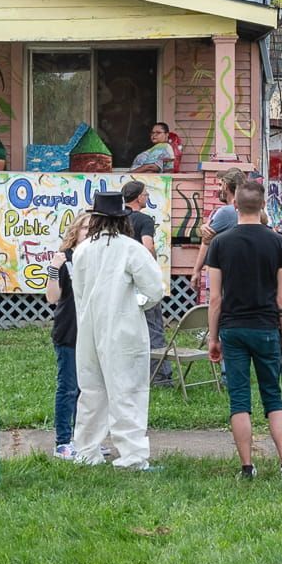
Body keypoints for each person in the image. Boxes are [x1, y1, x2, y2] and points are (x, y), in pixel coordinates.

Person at [205, 181, 282, 482]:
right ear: (263, 207)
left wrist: (213, 336)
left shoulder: (220, 243)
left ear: (235, 206)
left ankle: (247, 468)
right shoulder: (278, 243)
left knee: (239, 400)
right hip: (266, 328)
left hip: (232, 328)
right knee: (274, 398)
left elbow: (215, 298)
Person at [69, 190, 166, 471]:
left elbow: (79, 292)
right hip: (124, 329)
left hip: (89, 328)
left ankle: (87, 451)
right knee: (129, 392)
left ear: (96, 219)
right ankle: (132, 457)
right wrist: (137, 303)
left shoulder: (83, 250)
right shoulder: (130, 248)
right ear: (123, 220)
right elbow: (154, 290)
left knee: (91, 392)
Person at [44, 216, 87, 460]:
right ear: (76, 231)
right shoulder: (66, 258)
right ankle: (63, 441)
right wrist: (53, 269)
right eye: (85, 228)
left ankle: (85, 438)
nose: (89, 232)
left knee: (89, 389)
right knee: (69, 387)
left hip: (92, 332)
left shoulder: (98, 259)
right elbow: (52, 298)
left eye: (94, 228)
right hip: (70, 330)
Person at [122, 180, 172, 387]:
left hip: (121, 279)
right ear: (138, 197)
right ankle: (160, 376)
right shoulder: (144, 219)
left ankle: (128, 372)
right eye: (145, 194)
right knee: (153, 326)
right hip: (141, 280)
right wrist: (151, 263)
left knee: (124, 326)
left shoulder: (116, 219)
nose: (148, 197)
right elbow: (147, 244)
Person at [191, 169, 250, 302]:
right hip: (244, 275)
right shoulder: (251, 210)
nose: (218, 189)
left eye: (219, 185)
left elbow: (206, 241)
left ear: (226, 186)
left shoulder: (226, 212)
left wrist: (196, 271)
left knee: (216, 315)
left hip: (221, 276)